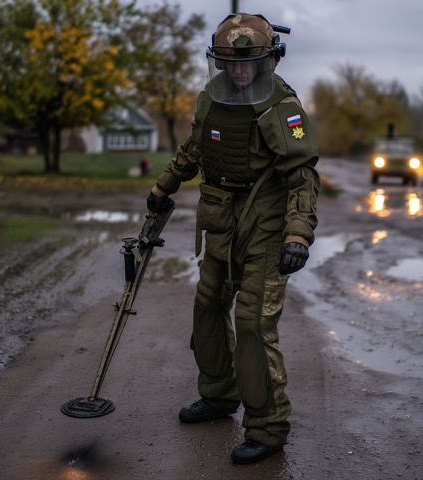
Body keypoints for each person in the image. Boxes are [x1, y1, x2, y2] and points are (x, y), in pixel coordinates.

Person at [146, 12, 320, 465]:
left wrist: (298, 234)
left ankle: (266, 427)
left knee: (252, 324)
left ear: (267, 62)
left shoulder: (280, 106)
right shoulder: (212, 97)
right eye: (228, 62)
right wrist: (164, 186)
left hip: (266, 229)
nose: (238, 70)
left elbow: (303, 176)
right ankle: (220, 395)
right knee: (206, 307)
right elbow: (196, 148)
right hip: (221, 221)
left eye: (247, 63)